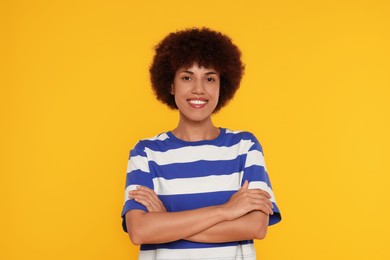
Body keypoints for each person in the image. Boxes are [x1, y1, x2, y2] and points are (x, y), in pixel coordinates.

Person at [121, 27, 281, 260]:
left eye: (209, 78)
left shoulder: (245, 147)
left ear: (221, 85)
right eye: (187, 77)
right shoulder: (145, 153)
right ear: (171, 84)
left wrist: (167, 222)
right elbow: (140, 231)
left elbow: (256, 227)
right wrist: (225, 211)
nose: (199, 89)